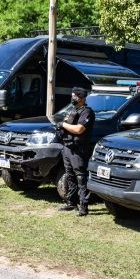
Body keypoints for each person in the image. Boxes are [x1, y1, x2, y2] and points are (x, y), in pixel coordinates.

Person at [56, 87, 95, 216]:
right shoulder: (73, 110)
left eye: (74, 96)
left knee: (81, 177)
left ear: (81, 98)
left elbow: (79, 129)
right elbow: (67, 124)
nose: (72, 98)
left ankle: (83, 206)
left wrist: (63, 125)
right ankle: (71, 203)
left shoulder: (87, 112)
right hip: (67, 147)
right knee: (70, 175)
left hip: (79, 149)